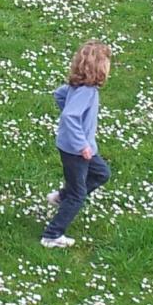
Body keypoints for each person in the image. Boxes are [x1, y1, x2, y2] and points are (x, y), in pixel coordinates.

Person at [40, 40, 112, 248]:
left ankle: (62, 197)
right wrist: (82, 144)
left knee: (101, 174)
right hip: (77, 150)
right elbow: (71, 116)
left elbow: (59, 94)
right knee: (78, 194)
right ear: (99, 67)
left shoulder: (77, 85)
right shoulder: (86, 91)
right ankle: (52, 234)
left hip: (80, 146)